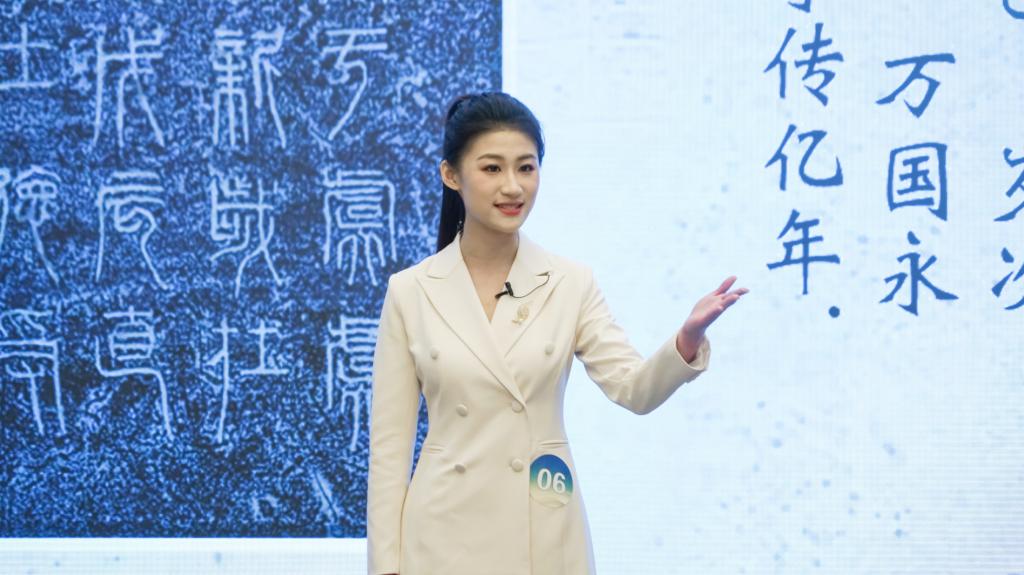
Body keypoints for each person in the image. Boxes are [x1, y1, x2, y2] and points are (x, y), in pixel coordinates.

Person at [366, 91, 747, 575]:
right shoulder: (411, 291)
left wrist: (686, 341)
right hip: (442, 535)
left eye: (526, 168)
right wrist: (386, 567)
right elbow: (389, 450)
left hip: (541, 526)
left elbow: (633, 390)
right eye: (492, 168)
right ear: (451, 175)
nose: (513, 187)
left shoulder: (569, 283)